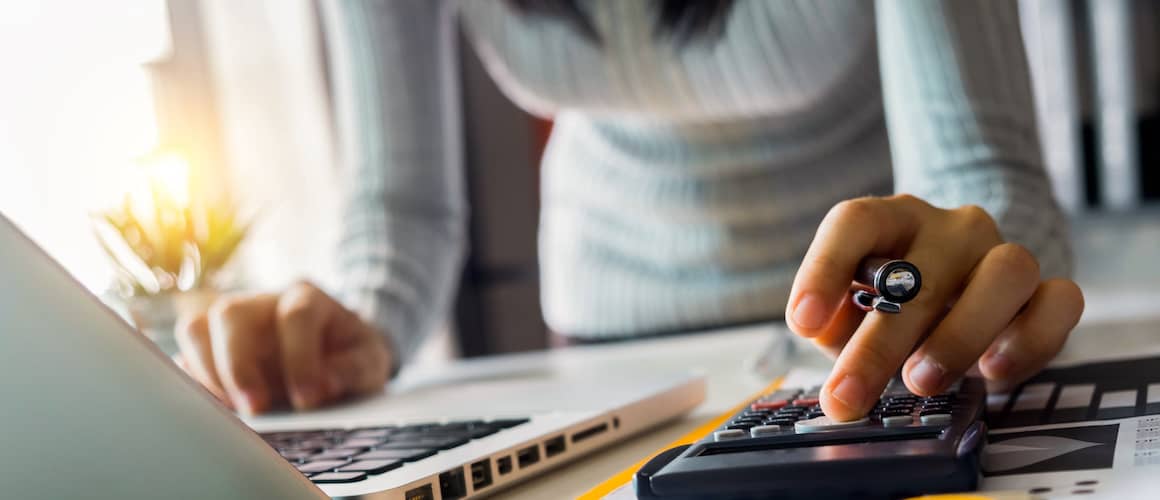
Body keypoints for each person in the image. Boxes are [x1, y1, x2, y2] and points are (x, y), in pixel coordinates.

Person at [175, 0, 1084, 423]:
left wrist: (972, 274)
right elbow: (399, 209)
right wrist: (353, 325)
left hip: (873, 336)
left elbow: (981, 178)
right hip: (603, 357)